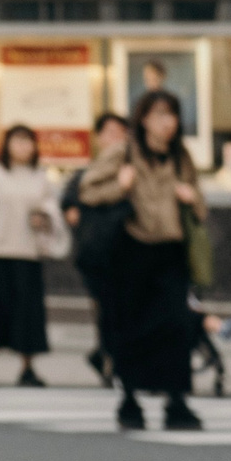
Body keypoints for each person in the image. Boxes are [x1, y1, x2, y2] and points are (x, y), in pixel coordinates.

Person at [79, 87, 206, 431]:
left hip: (171, 252)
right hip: (132, 251)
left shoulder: (181, 157)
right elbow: (87, 190)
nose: (166, 122)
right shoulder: (123, 153)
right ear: (143, 120)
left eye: (171, 114)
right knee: (132, 326)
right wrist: (120, 186)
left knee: (177, 326)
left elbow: (200, 207)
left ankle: (176, 401)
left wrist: (192, 198)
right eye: (157, 115)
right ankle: (130, 399)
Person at [0, 123, 67, 386]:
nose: (22, 147)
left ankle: (27, 367)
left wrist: (44, 220)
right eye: (17, 141)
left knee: (28, 314)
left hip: (28, 254)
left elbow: (51, 211)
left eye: (27, 141)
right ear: (6, 144)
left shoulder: (40, 178)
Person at [64, 112, 135, 385]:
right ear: (99, 136)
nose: (118, 138)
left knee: (121, 309)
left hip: (126, 251)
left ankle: (107, 356)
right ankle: (108, 358)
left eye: (122, 132)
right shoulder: (85, 175)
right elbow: (72, 207)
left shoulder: (131, 166)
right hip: (97, 254)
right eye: (112, 132)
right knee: (105, 309)